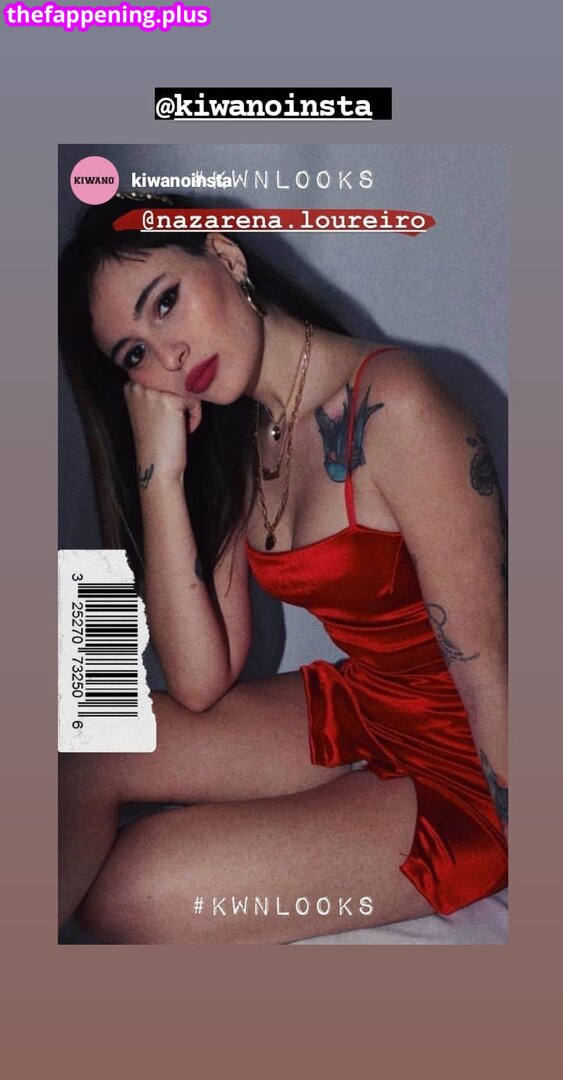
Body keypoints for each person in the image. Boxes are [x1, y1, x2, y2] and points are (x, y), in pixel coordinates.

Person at [58, 192, 508, 944]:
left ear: (225, 255)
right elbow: (200, 681)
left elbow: (492, 676)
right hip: (371, 701)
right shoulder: (249, 431)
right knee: (86, 741)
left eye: (165, 302)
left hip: (471, 763)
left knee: (127, 894)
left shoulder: (396, 404)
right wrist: (160, 474)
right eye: (134, 354)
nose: (167, 358)